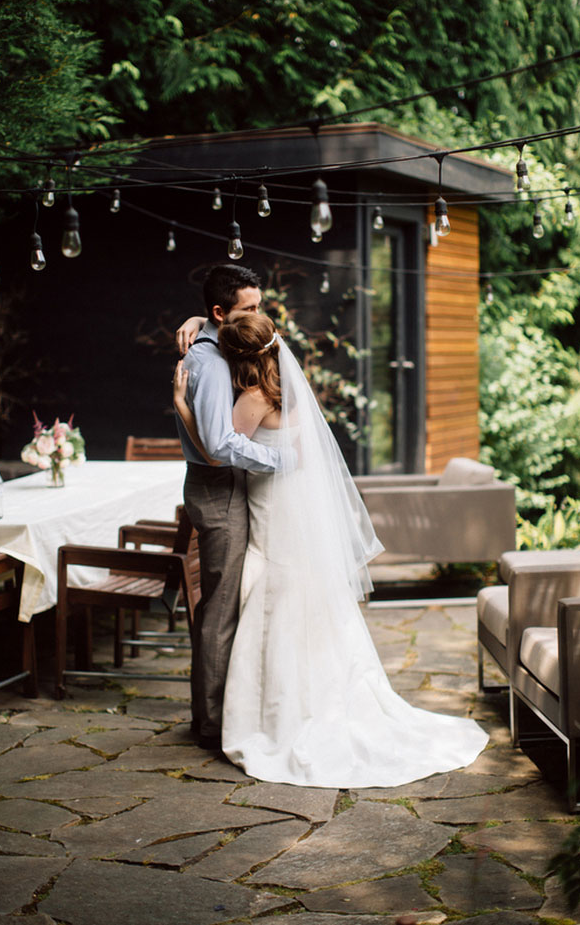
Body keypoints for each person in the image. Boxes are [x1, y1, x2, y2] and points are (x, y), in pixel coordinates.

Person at [174, 312, 489, 788]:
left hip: (271, 505)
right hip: (291, 501)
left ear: (239, 360)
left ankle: (277, 713)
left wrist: (183, 407)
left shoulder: (254, 398)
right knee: (307, 597)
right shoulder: (288, 387)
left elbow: (218, 451)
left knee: (272, 596)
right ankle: (319, 695)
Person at [174, 265, 290, 751]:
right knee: (220, 609)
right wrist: (284, 458)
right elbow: (219, 446)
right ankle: (211, 722)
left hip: (226, 487)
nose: (260, 317)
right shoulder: (210, 364)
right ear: (222, 313)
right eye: (250, 308)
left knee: (227, 602)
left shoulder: (219, 343)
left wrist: (197, 320)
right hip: (218, 491)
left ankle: (222, 709)